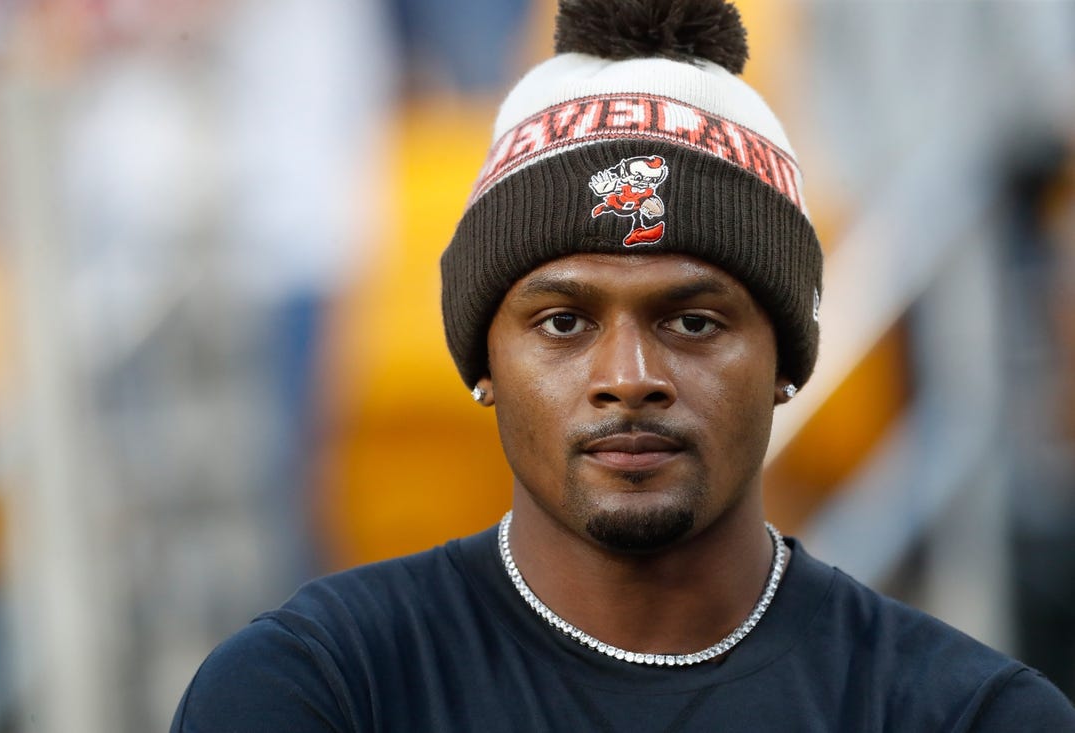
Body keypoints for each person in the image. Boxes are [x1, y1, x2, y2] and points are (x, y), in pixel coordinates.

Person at [171, 1, 1075, 730]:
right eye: (563, 321)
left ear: (790, 360)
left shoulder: (965, 711)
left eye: (692, 319)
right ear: (481, 356)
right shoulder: (313, 691)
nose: (629, 373)